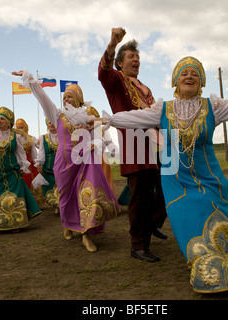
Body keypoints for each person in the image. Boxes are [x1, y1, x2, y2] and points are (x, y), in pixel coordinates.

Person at [100, 56, 228, 293]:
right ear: (176, 80)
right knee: (188, 214)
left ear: (201, 81)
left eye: (194, 73)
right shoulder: (163, 109)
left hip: (208, 172)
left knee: (222, 212)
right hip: (175, 175)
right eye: (184, 73)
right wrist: (110, 119)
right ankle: (206, 265)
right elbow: (136, 118)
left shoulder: (212, 106)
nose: (189, 76)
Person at [13, 71, 119, 253]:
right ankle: (67, 224)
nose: (66, 99)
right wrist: (31, 79)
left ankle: (86, 234)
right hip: (63, 162)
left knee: (87, 194)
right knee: (66, 197)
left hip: (85, 161)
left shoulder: (88, 118)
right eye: (64, 96)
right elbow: (43, 98)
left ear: (78, 98)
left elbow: (99, 136)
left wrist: (94, 144)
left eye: (70, 96)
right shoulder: (57, 115)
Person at [98, 27, 167, 262]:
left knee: (169, 183)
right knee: (140, 196)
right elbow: (103, 73)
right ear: (120, 63)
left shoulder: (144, 87)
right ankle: (138, 245)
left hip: (156, 144)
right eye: (130, 56)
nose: (136, 59)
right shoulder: (117, 81)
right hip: (134, 144)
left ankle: (153, 222)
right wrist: (112, 45)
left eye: (137, 57)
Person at [0, 106, 42, 232]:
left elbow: (21, 154)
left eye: (2, 119)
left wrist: (23, 166)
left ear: (9, 123)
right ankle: (1, 223)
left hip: (12, 172)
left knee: (14, 196)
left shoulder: (15, 137)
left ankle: (15, 223)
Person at [32, 118, 60, 213]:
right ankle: (56, 205)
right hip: (49, 167)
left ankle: (61, 205)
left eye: (53, 122)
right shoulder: (43, 138)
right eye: (49, 122)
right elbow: (42, 152)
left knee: (62, 186)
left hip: (61, 166)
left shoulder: (63, 135)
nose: (51, 124)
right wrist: (39, 164)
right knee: (50, 188)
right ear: (47, 125)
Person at [15, 118, 41, 203]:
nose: (20, 130)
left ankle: (33, 202)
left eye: (22, 127)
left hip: (29, 165)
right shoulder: (14, 138)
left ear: (26, 128)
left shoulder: (30, 139)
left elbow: (34, 153)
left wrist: (37, 163)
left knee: (32, 182)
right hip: (18, 165)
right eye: (18, 128)